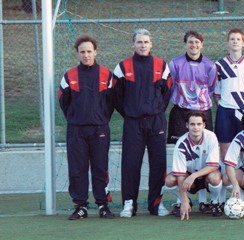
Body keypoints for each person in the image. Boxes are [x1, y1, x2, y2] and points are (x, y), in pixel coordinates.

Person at [112, 28, 172, 217]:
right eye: (139, 42)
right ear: (133, 44)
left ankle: (156, 204)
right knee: (131, 164)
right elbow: (116, 96)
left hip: (156, 122)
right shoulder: (122, 67)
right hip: (133, 123)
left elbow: (167, 93)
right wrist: (131, 112)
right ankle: (129, 203)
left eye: (146, 42)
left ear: (151, 44)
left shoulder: (162, 66)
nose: (143, 45)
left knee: (158, 164)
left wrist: (154, 110)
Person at [59, 35, 115, 220]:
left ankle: (102, 205)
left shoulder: (107, 74)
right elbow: (63, 101)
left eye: (89, 51)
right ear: (77, 53)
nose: (86, 55)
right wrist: (76, 118)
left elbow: (112, 102)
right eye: (82, 51)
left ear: (95, 52)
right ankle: (81, 206)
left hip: (99, 129)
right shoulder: (69, 75)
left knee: (100, 168)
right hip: (76, 130)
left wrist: (100, 117)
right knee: (77, 168)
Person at [161, 111, 223, 219]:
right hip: (189, 177)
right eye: (192, 124)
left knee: (215, 177)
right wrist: (184, 201)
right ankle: (184, 201)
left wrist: (194, 176)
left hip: (206, 174)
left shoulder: (211, 137)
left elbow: (213, 166)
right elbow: (180, 174)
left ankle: (214, 202)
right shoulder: (181, 143)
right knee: (170, 180)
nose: (196, 127)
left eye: (199, 124)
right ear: (187, 125)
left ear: (204, 125)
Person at [214, 29, 244, 177]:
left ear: (243, 43)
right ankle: (220, 196)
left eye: (238, 39)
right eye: (232, 39)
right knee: (225, 151)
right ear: (227, 42)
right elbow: (217, 92)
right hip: (225, 112)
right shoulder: (219, 65)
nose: (235, 42)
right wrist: (223, 106)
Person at [167, 31, 216, 145]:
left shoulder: (210, 66)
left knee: (205, 147)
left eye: (197, 42)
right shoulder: (175, 63)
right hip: (181, 112)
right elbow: (171, 85)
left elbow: (211, 88)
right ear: (185, 44)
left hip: (202, 111)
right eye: (190, 42)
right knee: (178, 147)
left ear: (202, 44)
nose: (194, 45)